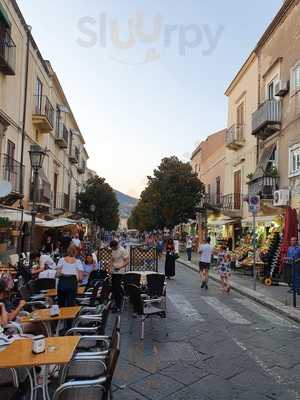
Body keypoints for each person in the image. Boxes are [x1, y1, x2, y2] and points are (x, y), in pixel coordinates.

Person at [110, 240, 129, 313]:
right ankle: (116, 304)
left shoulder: (122, 250)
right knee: (114, 288)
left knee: (117, 288)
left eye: (113, 248)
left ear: (116, 246)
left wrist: (120, 267)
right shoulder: (113, 250)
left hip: (120, 272)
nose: (112, 250)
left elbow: (127, 261)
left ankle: (118, 306)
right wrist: (110, 268)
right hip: (114, 271)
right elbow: (111, 259)